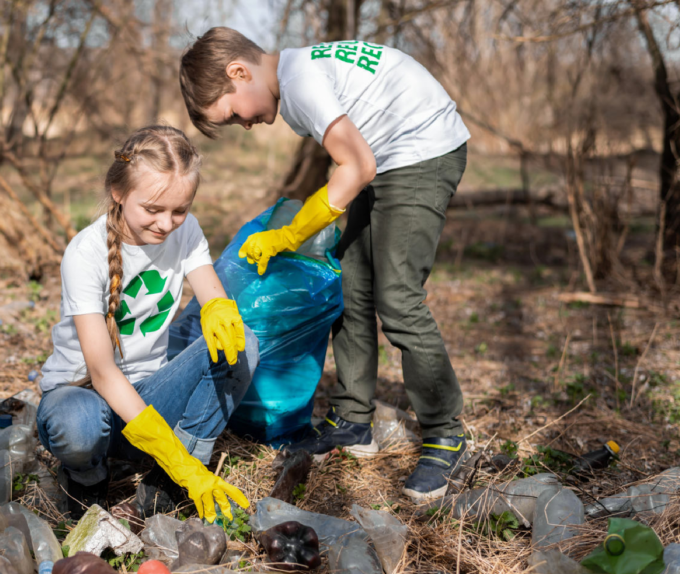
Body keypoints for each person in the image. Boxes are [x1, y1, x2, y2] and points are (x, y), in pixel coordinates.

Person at [179, 27, 471, 501]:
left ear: (240, 72)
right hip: (388, 153)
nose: (246, 125)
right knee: (349, 285)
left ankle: (445, 433)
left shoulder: (298, 80)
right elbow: (356, 162)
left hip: (421, 151)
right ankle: (355, 419)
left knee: (397, 297)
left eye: (234, 114)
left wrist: (290, 234)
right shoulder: (296, 77)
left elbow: (356, 166)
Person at [36, 125, 258, 520]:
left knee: (243, 343)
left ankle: (171, 478)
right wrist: (172, 453)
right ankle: (88, 478)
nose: (166, 223)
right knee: (78, 426)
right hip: (84, 396)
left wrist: (220, 308)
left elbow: (212, 295)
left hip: (150, 394)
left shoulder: (185, 230)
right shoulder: (85, 255)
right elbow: (102, 375)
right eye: (153, 210)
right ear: (118, 192)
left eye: (179, 210)